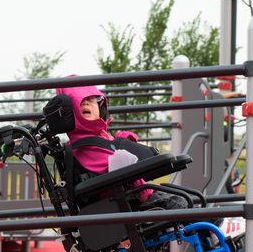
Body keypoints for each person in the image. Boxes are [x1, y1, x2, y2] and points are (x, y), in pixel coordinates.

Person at [55, 84, 189, 213]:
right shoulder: (86, 147)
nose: (86, 103)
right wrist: (144, 192)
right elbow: (125, 175)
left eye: (91, 98)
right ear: (68, 112)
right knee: (184, 205)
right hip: (131, 204)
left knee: (184, 202)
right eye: (79, 101)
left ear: (100, 107)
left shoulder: (98, 140)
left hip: (128, 201)